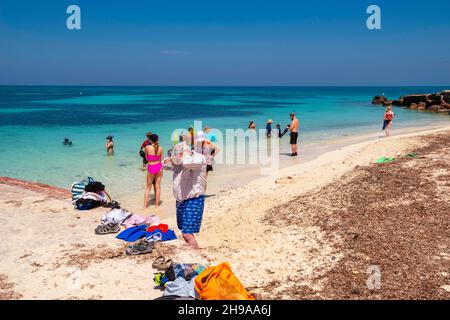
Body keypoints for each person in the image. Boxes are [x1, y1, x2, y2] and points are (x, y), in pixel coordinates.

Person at [163, 132, 207, 249]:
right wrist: (171, 157)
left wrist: (185, 152)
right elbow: (165, 166)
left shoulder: (199, 158)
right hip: (181, 199)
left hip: (193, 199)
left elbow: (187, 162)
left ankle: (196, 253)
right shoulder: (182, 159)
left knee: (187, 233)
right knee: (184, 231)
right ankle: (193, 250)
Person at [144, 134, 163, 209]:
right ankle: (156, 206)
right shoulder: (161, 148)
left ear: (150, 140)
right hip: (159, 166)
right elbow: (161, 159)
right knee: (158, 186)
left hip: (151, 166)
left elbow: (146, 158)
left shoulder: (147, 147)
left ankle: (145, 206)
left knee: (148, 187)